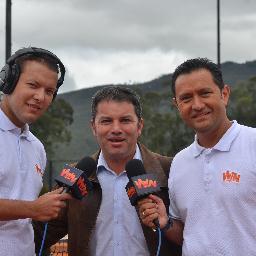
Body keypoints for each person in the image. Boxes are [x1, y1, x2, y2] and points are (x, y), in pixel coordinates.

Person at [33, 86, 182, 256]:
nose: (116, 129)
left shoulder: (171, 170)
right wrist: (33, 209)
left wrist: (167, 223)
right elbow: (36, 236)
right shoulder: (76, 175)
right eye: (106, 121)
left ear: (139, 125)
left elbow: (196, 234)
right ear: (93, 127)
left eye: (125, 120)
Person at [138, 58, 256, 255]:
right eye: (186, 98)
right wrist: (166, 223)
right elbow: (188, 233)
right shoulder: (180, 163)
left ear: (224, 94)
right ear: (177, 105)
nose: (197, 105)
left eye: (205, 93)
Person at [0, 47, 71, 256]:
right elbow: (32, 209)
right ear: (9, 81)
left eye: (49, 91)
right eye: (33, 85)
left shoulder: (37, 148)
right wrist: (34, 208)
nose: (40, 97)